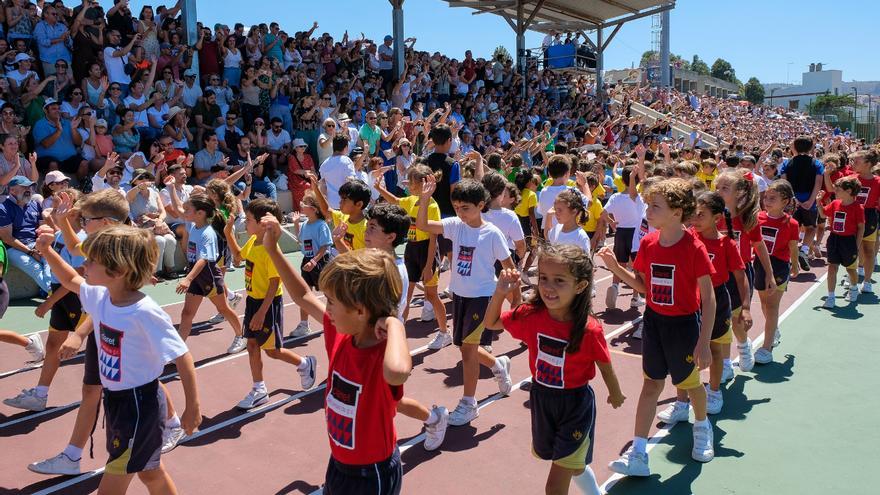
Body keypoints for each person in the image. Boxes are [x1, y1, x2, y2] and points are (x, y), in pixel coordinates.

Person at [34, 224, 201, 494]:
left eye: (92, 260)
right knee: (150, 473)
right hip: (117, 401)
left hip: (138, 406)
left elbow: (182, 356)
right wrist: (48, 250)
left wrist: (192, 407)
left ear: (119, 271)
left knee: (112, 484)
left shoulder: (144, 311)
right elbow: (69, 280)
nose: (84, 264)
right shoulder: (102, 297)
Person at [260, 217, 410, 495]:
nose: (326, 308)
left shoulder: (381, 354)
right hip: (339, 464)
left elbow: (398, 372)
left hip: (371, 475)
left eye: (331, 301)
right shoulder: (341, 334)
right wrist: (273, 250)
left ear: (360, 311)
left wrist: (394, 323)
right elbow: (303, 296)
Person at [483, 245, 625, 495]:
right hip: (542, 398)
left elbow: (604, 363)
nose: (548, 287)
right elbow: (491, 322)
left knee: (555, 484)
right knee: (572, 463)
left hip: (575, 405)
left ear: (580, 286)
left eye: (559, 281)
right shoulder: (531, 315)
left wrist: (615, 392)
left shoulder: (588, 329)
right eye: (544, 278)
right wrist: (499, 293)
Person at [598, 178, 716, 477]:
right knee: (651, 384)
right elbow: (644, 288)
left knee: (690, 385)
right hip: (654, 322)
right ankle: (638, 453)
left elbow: (710, 299)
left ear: (677, 212)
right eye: (648, 205)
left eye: (655, 206)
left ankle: (702, 425)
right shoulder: (649, 243)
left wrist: (703, 343)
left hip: (684, 326)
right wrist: (616, 268)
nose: (647, 210)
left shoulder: (694, 248)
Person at [416, 176, 515, 426]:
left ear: (481, 205)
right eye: (457, 207)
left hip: (483, 298)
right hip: (460, 295)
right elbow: (424, 226)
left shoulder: (491, 233)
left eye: (465, 208)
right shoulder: (455, 226)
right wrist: (426, 198)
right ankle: (498, 365)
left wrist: (515, 301)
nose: (460, 213)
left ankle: (469, 404)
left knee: (468, 351)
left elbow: (509, 267)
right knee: (463, 346)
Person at [223, 198, 317, 410]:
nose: (245, 223)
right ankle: (259, 389)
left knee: (272, 351)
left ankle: (304, 363)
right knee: (252, 345)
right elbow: (237, 258)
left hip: (268, 304)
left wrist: (261, 312)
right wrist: (228, 232)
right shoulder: (253, 241)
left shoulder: (269, 248)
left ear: (263, 223)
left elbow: (275, 282)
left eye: (248, 220)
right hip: (252, 301)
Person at [3, 190, 85, 412]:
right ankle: (40, 394)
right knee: (52, 346)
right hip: (61, 294)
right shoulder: (59, 236)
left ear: (76, 210)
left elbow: (75, 278)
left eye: (63, 203)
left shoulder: (82, 241)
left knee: (103, 350)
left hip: (76, 298)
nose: (56, 205)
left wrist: (48, 302)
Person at [373, 165, 451, 349]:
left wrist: (429, 265)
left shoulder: (431, 205)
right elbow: (394, 200)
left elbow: (433, 237)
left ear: (422, 184)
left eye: (412, 182)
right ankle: (399, 336)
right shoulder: (410, 200)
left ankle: (444, 332)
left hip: (427, 251)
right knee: (404, 297)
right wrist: (378, 188)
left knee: (431, 295)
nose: (408, 184)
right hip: (412, 249)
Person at [713, 168, 772, 373]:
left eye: (725, 188)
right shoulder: (711, 217)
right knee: (721, 319)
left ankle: (744, 346)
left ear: (738, 192)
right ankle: (726, 364)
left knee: (737, 319)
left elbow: (759, 246)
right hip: (716, 273)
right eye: (717, 187)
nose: (719, 191)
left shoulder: (747, 219)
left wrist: (770, 273)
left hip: (740, 273)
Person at [174, 195, 246, 354]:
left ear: (200, 213)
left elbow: (204, 259)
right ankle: (177, 351)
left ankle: (241, 335)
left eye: (188, 210)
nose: (184, 212)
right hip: (195, 275)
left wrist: (188, 278)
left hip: (208, 277)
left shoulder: (208, 233)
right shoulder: (194, 227)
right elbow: (179, 209)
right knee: (187, 313)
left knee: (223, 308)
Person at [753, 180, 800, 365]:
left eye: (773, 198)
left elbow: (793, 247)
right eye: (766, 197)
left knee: (772, 306)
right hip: (759, 264)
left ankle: (766, 348)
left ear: (785, 201)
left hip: (779, 265)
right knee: (764, 303)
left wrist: (795, 265)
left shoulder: (792, 223)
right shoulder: (758, 218)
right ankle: (774, 330)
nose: (767, 200)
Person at [818, 175, 864, 308]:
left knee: (850, 269)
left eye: (837, 189)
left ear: (849, 191)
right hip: (834, 239)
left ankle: (854, 288)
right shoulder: (834, 203)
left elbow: (861, 227)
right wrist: (818, 202)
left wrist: (856, 244)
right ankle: (831, 297)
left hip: (849, 241)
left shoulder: (857, 207)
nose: (835, 191)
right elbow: (822, 214)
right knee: (832, 267)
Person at [289, 191, 331, 337]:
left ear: (314, 209)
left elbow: (325, 246)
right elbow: (300, 239)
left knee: (329, 293)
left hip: (320, 261)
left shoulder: (321, 226)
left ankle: (334, 319)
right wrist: (295, 224)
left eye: (304, 203)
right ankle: (304, 324)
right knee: (304, 293)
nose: (301, 205)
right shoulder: (305, 224)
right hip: (307, 260)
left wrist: (314, 261)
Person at [0, 175, 51, 293]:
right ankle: (55, 294)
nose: (29, 189)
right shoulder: (3, 208)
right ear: (12, 190)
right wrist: (31, 252)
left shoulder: (35, 205)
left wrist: (40, 246)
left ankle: (52, 293)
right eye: (24, 187)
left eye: (30, 186)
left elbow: (42, 228)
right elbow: (7, 238)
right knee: (36, 268)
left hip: (35, 243)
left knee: (50, 260)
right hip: (13, 248)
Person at [779, 135, 823, 271]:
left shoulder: (787, 163)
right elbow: (818, 183)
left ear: (794, 147)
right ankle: (803, 250)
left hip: (791, 201)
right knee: (811, 227)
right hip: (809, 201)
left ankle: (790, 257)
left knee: (791, 229)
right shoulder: (816, 163)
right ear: (811, 148)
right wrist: (810, 200)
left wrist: (795, 200)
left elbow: (784, 183)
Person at [847, 148, 880, 294]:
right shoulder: (851, 180)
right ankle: (852, 276)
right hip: (852, 215)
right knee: (852, 248)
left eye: (856, 161)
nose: (853, 163)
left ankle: (867, 281)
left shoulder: (878, 182)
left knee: (869, 250)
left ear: (867, 163)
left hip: (870, 216)